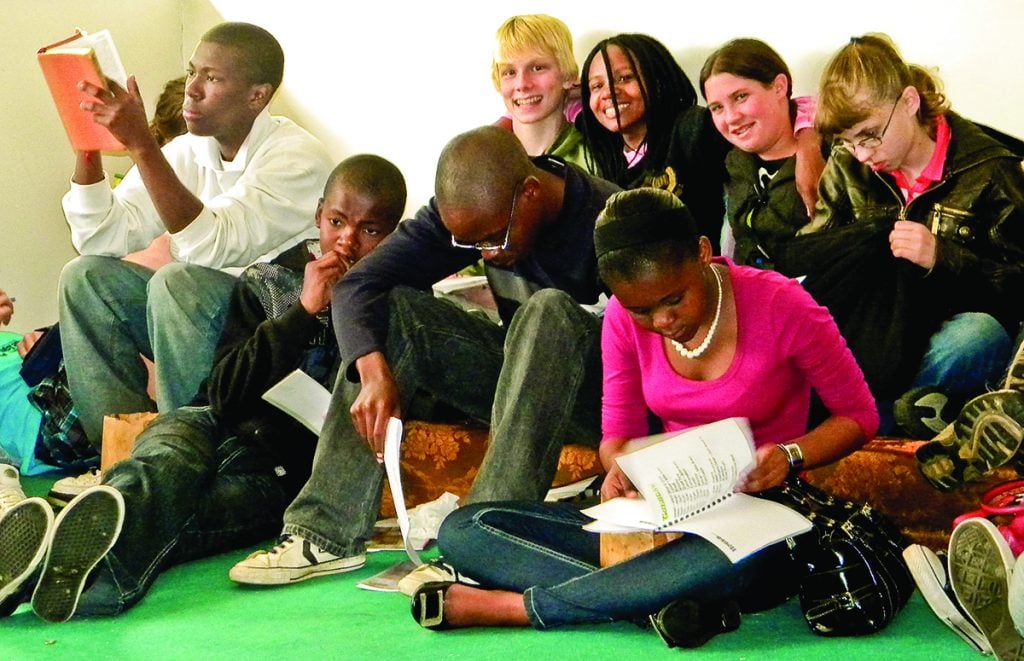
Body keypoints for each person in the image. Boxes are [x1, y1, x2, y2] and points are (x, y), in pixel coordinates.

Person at [411, 188, 878, 644]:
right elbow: (617, 438)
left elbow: (859, 415)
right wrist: (624, 470)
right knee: (467, 529)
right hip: (663, 514)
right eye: (641, 310)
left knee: (726, 566)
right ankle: (659, 603)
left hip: (760, 514)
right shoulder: (618, 319)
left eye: (674, 299)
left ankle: (519, 607)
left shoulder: (783, 305)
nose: (661, 322)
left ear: (701, 253)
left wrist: (790, 454)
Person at [0, 155, 406, 622]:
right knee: (162, 457)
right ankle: (81, 569)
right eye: (337, 222)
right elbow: (223, 392)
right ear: (318, 217)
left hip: (274, 473)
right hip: (212, 422)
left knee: (183, 511)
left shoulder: (400, 306)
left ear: (394, 235)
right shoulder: (271, 281)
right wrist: (301, 313)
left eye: (370, 230)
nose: (347, 241)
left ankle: (37, 566)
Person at [229, 125, 620, 586]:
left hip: (606, 401)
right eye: (470, 243)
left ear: (531, 193)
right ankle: (324, 533)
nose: (485, 253)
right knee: (394, 310)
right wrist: (372, 371)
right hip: (523, 379)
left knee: (548, 309)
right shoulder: (471, 215)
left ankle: (480, 540)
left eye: (493, 238)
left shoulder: (610, 221)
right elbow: (359, 286)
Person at [57, 22, 333, 457]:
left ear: (257, 96)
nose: (192, 90)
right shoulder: (188, 150)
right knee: (85, 278)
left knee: (177, 282)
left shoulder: (297, 158)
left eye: (212, 78)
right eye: (192, 73)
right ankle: (123, 458)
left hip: (276, 336)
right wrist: (87, 142)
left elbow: (211, 245)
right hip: (205, 323)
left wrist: (142, 145)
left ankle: (183, 459)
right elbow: (99, 237)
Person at [794, 33, 1024, 439]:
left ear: (910, 102)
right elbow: (820, 259)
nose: (862, 154)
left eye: (869, 135)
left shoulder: (990, 171)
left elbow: (1018, 286)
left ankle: (861, 425)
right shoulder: (849, 167)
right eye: (847, 142)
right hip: (876, 328)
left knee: (976, 337)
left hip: (950, 324)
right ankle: (902, 419)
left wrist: (944, 256)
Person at [578, 33, 824, 250]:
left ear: (656, 78)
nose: (609, 92)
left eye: (625, 78)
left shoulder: (692, 129)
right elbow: (572, 111)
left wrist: (808, 143)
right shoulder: (605, 153)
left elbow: (794, 107)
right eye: (596, 86)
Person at [700, 38, 811, 274]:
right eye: (717, 107)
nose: (731, 118)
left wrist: (811, 141)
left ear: (780, 86)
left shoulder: (830, 156)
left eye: (740, 97)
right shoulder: (733, 162)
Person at [491, 14, 587, 167]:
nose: (522, 84)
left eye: (537, 68)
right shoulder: (483, 159)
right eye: (510, 72)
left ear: (568, 76)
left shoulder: (596, 157)